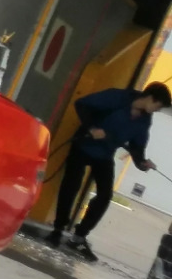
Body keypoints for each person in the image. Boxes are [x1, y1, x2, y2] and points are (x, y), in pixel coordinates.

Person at [46, 82, 169, 261]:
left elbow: (137, 146)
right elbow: (82, 104)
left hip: (104, 155)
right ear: (150, 98)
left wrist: (143, 163)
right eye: (157, 106)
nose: (157, 111)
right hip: (84, 146)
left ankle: (79, 237)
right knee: (71, 186)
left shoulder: (144, 119)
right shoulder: (117, 98)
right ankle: (57, 230)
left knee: (105, 195)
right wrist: (92, 128)